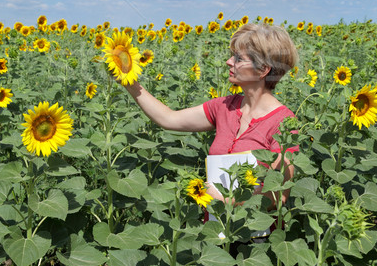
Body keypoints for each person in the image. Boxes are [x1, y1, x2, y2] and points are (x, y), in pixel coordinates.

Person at [122, 22, 299, 209]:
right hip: (214, 231)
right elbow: (169, 119)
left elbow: (278, 196)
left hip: (253, 233)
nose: (229, 62)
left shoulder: (283, 123)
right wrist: (130, 83)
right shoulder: (224, 107)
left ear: (263, 70)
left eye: (239, 59)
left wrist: (225, 201)